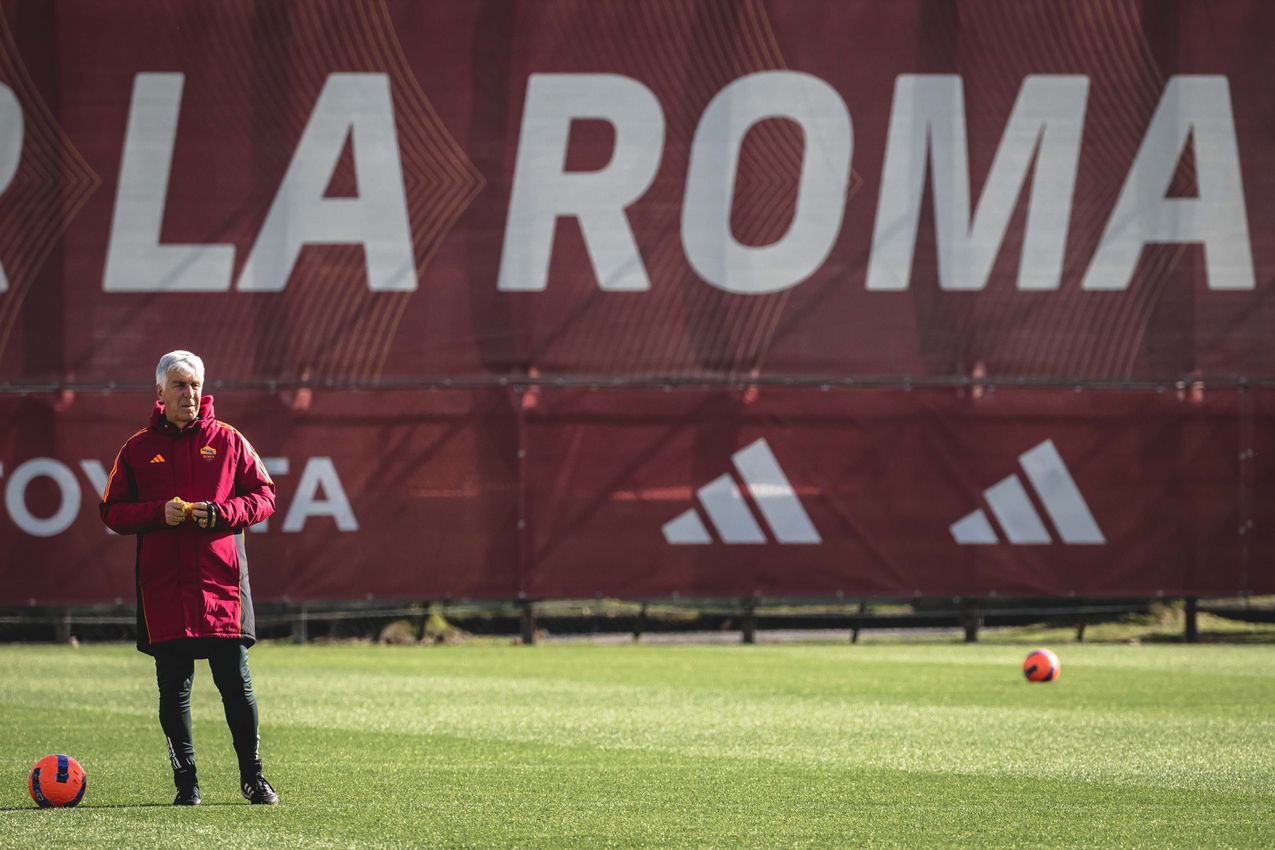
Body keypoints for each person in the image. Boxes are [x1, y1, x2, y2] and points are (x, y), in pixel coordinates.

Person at [100, 350, 279, 806]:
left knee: (236, 683)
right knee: (173, 688)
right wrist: (157, 514)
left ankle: (253, 779)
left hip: (222, 587)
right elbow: (112, 511)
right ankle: (187, 785)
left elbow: (264, 496)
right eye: (179, 385)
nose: (190, 393)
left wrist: (221, 513)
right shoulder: (137, 448)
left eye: (195, 384)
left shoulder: (229, 440)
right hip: (164, 588)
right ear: (159, 392)